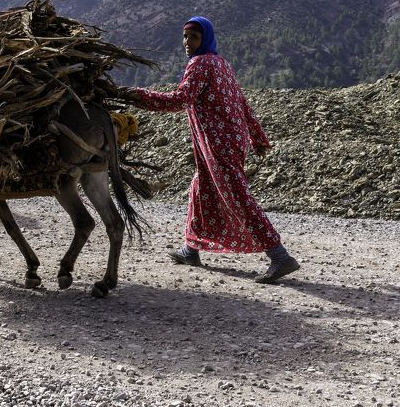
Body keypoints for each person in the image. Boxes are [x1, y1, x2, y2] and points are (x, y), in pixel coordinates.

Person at [119, 16, 299, 283]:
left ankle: (279, 256)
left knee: (238, 195)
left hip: (218, 143)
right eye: (185, 37)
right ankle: (190, 249)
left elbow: (181, 99)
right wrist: (258, 138)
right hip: (231, 140)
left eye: (193, 37)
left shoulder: (200, 64)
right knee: (200, 190)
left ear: (205, 39)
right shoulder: (222, 63)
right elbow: (242, 103)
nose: (187, 43)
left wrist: (138, 96)